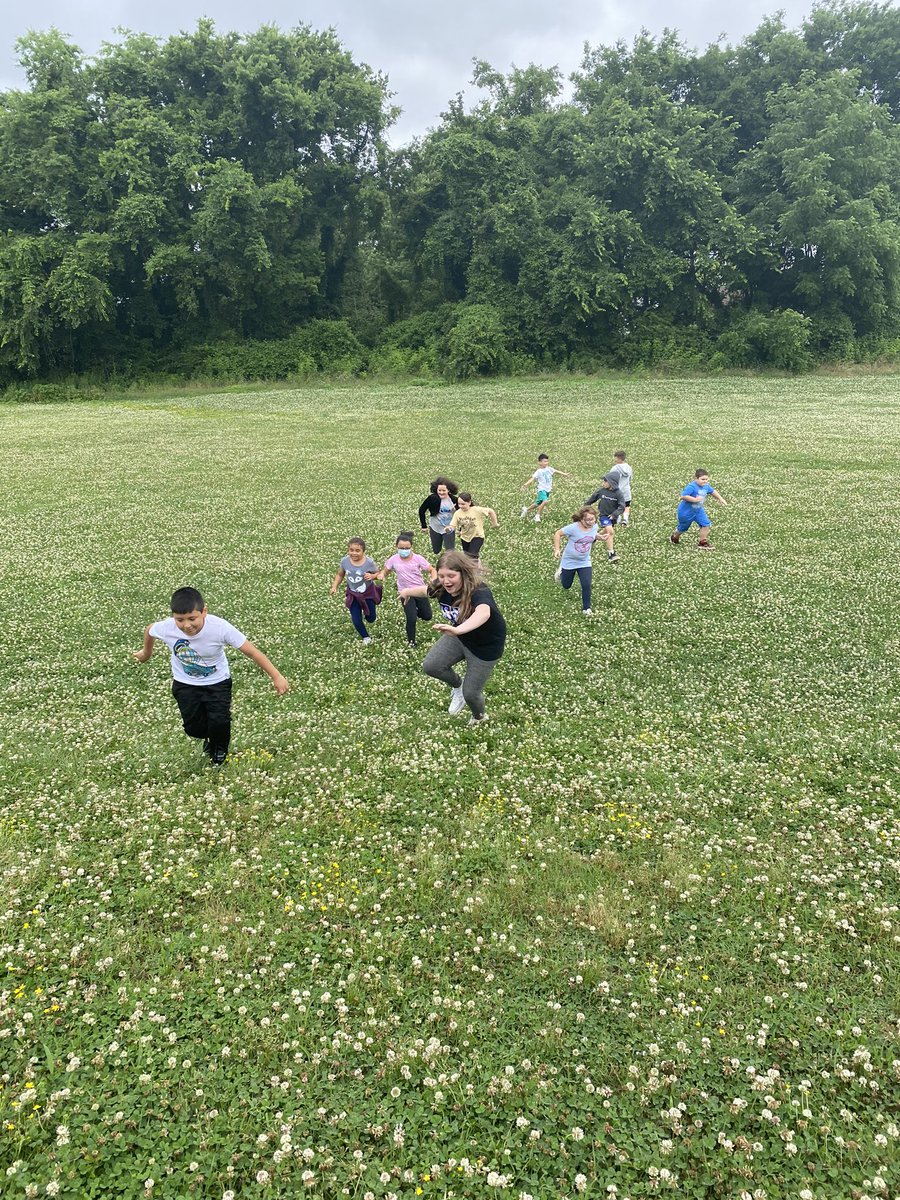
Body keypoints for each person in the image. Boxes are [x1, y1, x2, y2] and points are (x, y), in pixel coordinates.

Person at [132, 586, 288, 766]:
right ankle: (209, 738)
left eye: (192, 618)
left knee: (219, 721)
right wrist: (146, 653)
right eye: (180, 620)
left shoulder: (220, 628)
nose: (186, 625)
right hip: (185, 683)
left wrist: (276, 676)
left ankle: (219, 751)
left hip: (217, 682)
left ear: (204, 611)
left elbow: (253, 652)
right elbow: (150, 629)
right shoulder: (167, 628)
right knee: (194, 729)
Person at [419, 551, 506, 726]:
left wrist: (458, 630)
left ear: (463, 573)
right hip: (460, 635)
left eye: (451, 575)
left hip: (485, 646)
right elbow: (425, 591)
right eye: (442, 576)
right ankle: (457, 686)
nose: (446, 580)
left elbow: (483, 613)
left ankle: (479, 717)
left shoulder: (478, 590)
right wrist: (406, 592)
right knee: (431, 666)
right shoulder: (441, 587)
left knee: (471, 694)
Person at [553, 506, 617, 616]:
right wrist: (557, 549)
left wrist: (600, 537)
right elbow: (558, 534)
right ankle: (561, 572)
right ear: (581, 519)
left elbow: (592, 535)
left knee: (586, 584)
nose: (591, 522)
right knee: (566, 585)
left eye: (593, 519)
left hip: (584, 561)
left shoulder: (594, 526)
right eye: (588, 520)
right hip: (569, 561)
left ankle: (586, 608)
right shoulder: (573, 528)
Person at [377, 533, 437, 647]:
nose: (404, 550)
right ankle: (411, 642)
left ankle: (416, 610)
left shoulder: (418, 558)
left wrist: (433, 579)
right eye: (401, 548)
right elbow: (386, 570)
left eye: (407, 548)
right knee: (411, 618)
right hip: (405, 592)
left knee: (427, 616)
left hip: (420, 590)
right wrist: (382, 575)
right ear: (396, 547)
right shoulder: (393, 559)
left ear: (411, 547)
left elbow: (431, 570)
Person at [330, 537, 382, 643]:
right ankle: (366, 637)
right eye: (351, 550)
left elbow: (379, 574)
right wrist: (334, 586)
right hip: (353, 594)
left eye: (357, 551)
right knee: (356, 618)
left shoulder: (369, 562)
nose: (354, 553)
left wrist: (372, 576)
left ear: (363, 551)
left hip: (367, 593)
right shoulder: (345, 561)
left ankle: (368, 615)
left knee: (371, 618)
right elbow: (340, 574)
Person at [670, 469, 727, 550]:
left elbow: (712, 491)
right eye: (702, 479)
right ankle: (675, 536)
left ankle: (702, 543)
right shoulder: (692, 486)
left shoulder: (706, 486)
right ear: (696, 478)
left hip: (698, 511)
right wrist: (695, 500)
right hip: (686, 512)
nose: (705, 481)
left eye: (707, 479)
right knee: (683, 528)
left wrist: (720, 498)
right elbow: (683, 496)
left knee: (706, 524)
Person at [519, 454, 571, 523]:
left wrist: (564, 474)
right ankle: (537, 515)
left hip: (548, 490)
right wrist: (525, 484)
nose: (546, 463)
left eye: (547, 461)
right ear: (540, 462)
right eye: (544, 461)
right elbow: (532, 479)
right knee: (545, 501)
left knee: (537, 503)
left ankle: (526, 510)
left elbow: (556, 471)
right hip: (542, 489)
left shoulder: (549, 469)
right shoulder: (539, 471)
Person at [448, 492, 500, 559]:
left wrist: (495, 523)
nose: (460, 506)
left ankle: (474, 568)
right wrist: (449, 528)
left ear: (469, 503)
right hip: (465, 537)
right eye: (459, 504)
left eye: (463, 504)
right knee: (467, 557)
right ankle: (475, 566)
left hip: (477, 536)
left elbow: (491, 511)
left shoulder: (477, 510)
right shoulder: (457, 513)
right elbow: (453, 525)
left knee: (472, 556)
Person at [418, 477, 459, 555]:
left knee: (450, 551)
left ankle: (449, 564)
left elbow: (462, 514)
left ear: (449, 490)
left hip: (449, 528)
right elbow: (421, 510)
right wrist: (424, 526)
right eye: (439, 490)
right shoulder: (432, 498)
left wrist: (461, 528)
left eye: (444, 490)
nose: (441, 492)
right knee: (436, 550)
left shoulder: (454, 500)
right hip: (435, 527)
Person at [606, 450, 633, 524]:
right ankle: (625, 519)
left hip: (616, 490)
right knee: (626, 505)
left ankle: (617, 518)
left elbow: (610, 479)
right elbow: (630, 478)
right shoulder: (629, 468)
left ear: (618, 458)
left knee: (616, 505)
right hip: (626, 490)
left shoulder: (615, 468)